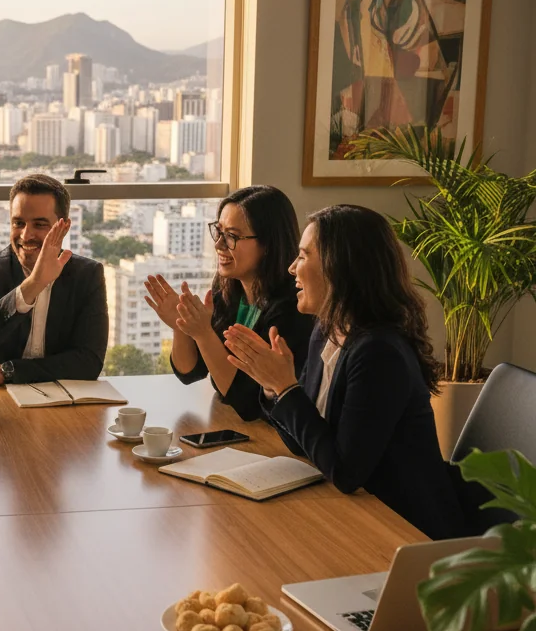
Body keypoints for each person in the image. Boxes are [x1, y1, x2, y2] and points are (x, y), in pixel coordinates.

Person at [222, 204, 481, 540]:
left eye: (303, 256)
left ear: (337, 267)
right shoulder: (326, 331)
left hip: (406, 530)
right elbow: (308, 446)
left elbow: (345, 473)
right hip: (361, 513)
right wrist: (275, 388)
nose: (291, 268)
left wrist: (288, 389)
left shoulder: (378, 353)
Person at [143, 185, 315, 421]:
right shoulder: (228, 290)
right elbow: (190, 373)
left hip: (270, 434)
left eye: (232, 236)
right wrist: (181, 327)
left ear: (268, 244)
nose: (219, 245)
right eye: (219, 232)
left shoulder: (292, 308)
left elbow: (246, 402)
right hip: (229, 422)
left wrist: (203, 334)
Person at [0, 173, 108, 386]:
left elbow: (89, 363)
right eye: (18, 223)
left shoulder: (87, 274)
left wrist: (6, 371)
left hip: (57, 400)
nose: (26, 235)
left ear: (63, 226)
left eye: (39, 225)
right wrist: (33, 285)